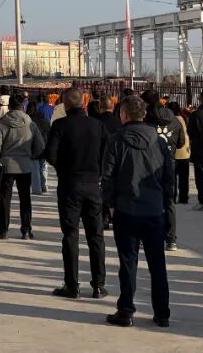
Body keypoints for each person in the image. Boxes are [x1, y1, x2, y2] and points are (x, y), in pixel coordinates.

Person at [103, 95, 173, 328]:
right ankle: (162, 312)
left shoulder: (116, 140)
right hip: (153, 209)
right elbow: (169, 176)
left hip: (126, 208)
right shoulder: (159, 141)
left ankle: (126, 310)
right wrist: (165, 202)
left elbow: (108, 175)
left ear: (124, 114)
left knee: (128, 262)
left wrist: (111, 204)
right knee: (157, 263)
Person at [45, 88, 108, 299]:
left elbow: (50, 155)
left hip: (69, 185)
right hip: (92, 184)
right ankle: (98, 284)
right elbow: (108, 153)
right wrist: (98, 172)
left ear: (65, 105)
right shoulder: (97, 126)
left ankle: (72, 284)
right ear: (84, 103)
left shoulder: (60, 126)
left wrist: (63, 167)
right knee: (96, 236)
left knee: (70, 235)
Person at [0, 95, 44, 240]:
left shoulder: (3, 122)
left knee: (4, 198)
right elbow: (40, 145)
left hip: (6, 165)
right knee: (25, 198)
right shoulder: (30, 123)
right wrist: (32, 156)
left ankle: (3, 230)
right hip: (24, 165)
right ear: (23, 107)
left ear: (9, 107)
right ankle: (26, 230)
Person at [141, 90, 184, 252]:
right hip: (169, 164)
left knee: (147, 200)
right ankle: (171, 239)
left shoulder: (145, 122)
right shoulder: (175, 120)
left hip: (149, 165)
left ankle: (147, 236)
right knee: (169, 202)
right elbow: (181, 143)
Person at [169, 103, 192, 205]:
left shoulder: (172, 120)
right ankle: (184, 197)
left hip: (174, 151)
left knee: (173, 177)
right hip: (185, 152)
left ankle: (173, 197)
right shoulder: (184, 118)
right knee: (184, 178)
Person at [27, 100, 51, 195]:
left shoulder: (29, 122)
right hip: (44, 147)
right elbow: (49, 135)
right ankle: (44, 186)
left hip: (33, 147)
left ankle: (37, 188)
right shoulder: (45, 121)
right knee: (43, 167)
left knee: (35, 168)